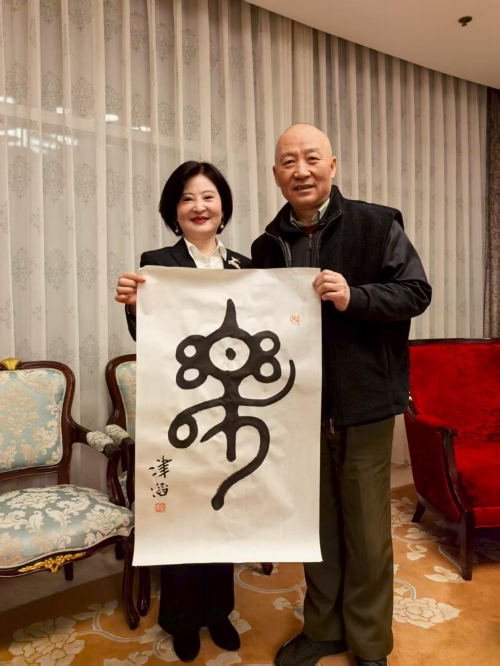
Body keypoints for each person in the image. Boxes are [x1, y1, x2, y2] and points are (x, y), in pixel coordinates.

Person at [251, 124, 432, 666]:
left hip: (367, 401)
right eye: (288, 161)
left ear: (332, 165)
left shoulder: (377, 224)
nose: (301, 170)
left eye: (311, 158)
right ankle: (324, 628)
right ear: (276, 175)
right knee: (318, 526)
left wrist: (356, 296)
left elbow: (416, 292)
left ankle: (370, 641)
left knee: (369, 530)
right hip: (300, 406)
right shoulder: (267, 245)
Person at [115, 161, 250, 662]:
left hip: (230, 406)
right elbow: (146, 334)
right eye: (188, 198)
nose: (199, 206)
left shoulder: (245, 266)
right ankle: (181, 617)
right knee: (181, 511)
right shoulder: (157, 261)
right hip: (179, 405)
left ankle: (219, 610)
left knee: (222, 506)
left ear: (223, 208)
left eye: (208, 196)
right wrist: (133, 306)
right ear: (174, 210)